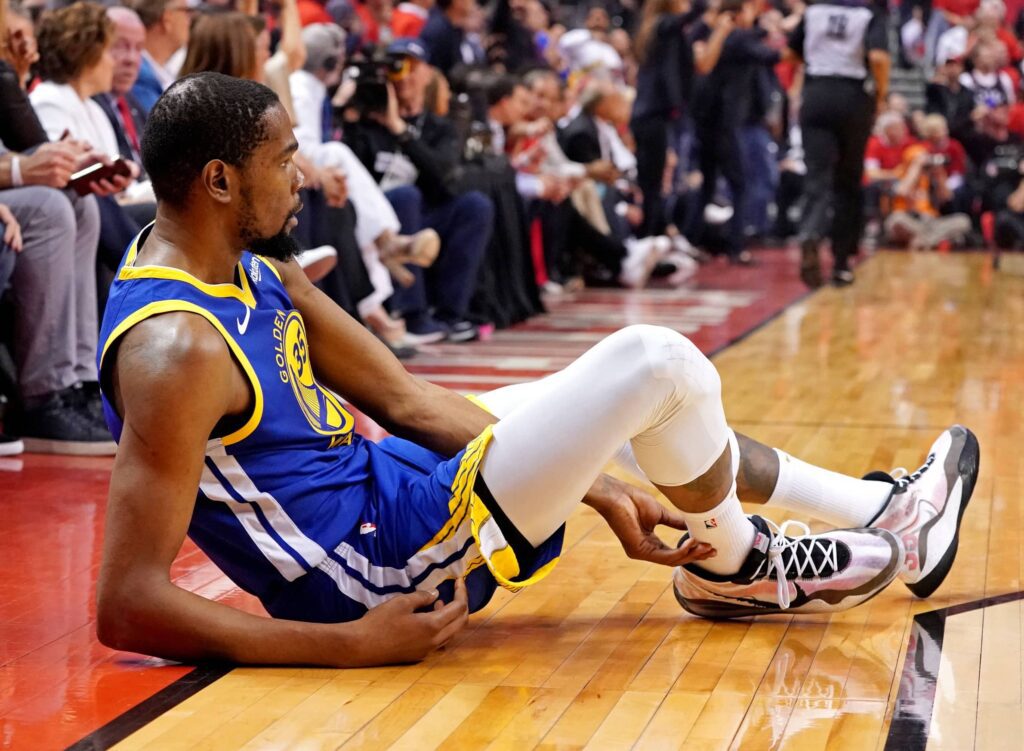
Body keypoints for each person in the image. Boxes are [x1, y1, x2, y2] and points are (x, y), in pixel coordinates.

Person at [94, 72, 979, 667]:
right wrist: (352, 644)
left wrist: (591, 483)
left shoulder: (252, 267)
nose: (304, 174)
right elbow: (127, 603)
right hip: (370, 571)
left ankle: (876, 516)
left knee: (635, 410)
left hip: (393, 488)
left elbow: (405, 398)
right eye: (283, 160)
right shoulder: (176, 352)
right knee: (653, 360)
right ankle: (742, 561)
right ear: (217, 181)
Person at [789, 0, 890, 288]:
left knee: (816, 178)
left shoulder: (813, 12)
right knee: (847, 182)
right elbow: (880, 58)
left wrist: (817, 59)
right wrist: (881, 95)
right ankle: (842, 262)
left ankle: (810, 234)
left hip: (817, 93)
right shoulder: (867, 13)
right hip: (852, 97)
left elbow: (788, 52)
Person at [127, 0, 192, 113]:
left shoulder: (157, 75)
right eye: (186, 11)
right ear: (167, 19)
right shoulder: (136, 77)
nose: (189, 21)